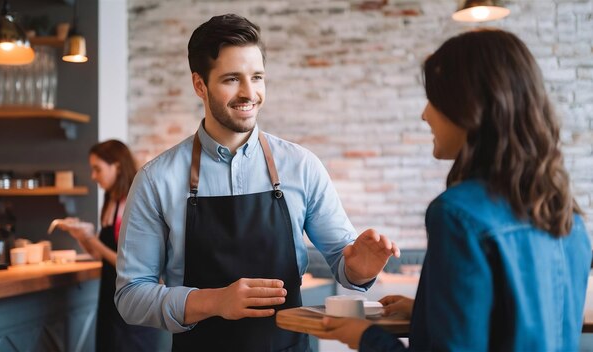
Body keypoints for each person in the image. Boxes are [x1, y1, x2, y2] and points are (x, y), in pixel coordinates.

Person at [114, 14, 400, 352]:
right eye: (232, 79)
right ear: (199, 85)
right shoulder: (156, 179)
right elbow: (131, 296)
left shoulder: (301, 166)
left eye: (257, 77)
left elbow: (344, 261)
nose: (250, 93)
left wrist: (359, 268)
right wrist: (214, 301)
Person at [311, 28, 592, 351]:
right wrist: (425, 313)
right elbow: (522, 326)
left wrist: (362, 335)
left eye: (434, 100)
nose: (425, 114)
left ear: (469, 107)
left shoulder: (457, 215)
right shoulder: (568, 217)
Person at [52, 140, 162, 352]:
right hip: (110, 297)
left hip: (135, 300)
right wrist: (82, 235)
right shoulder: (110, 198)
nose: (93, 176)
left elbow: (128, 262)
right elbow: (98, 254)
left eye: (97, 169)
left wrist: (92, 239)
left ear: (117, 166)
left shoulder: (135, 200)